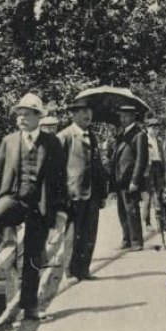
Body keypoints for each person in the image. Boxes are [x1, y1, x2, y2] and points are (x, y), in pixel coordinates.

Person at [0, 93, 67, 321]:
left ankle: (30, 306)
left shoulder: (52, 142)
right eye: (19, 115)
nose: (21, 119)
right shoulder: (9, 141)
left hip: (40, 204)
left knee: (33, 256)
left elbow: (60, 179)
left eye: (26, 114)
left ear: (38, 117)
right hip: (14, 197)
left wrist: (61, 210)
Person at [56, 98, 108, 283]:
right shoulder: (65, 136)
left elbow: (98, 166)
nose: (88, 115)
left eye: (90, 111)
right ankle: (69, 272)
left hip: (92, 193)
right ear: (74, 114)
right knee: (73, 232)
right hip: (74, 193)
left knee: (89, 232)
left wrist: (103, 193)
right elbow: (57, 169)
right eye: (83, 111)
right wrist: (62, 196)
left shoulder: (92, 136)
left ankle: (84, 270)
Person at [110, 104, 149, 251]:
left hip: (130, 179)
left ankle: (136, 241)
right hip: (119, 178)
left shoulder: (139, 134)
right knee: (122, 210)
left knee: (132, 210)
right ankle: (126, 238)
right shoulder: (122, 134)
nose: (122, 118)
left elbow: (141, 159)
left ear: (133, 116)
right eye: (121, 116)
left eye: (125, 116)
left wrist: (135, 180)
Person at [142, 117, 166, 235]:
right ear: (147, 128)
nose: (155, 130)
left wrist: (165, 172)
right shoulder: (144, 140)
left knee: (160, 194)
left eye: (157, 128)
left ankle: (162, 222)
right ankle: (147, 223)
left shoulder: (160, 141)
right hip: (148, 169)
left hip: (158, 168)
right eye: (152, 127)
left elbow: (163, 158)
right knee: (148, 196)